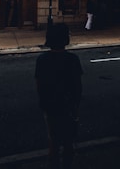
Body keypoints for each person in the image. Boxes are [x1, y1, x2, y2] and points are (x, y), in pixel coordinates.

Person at [35, 23, 83, 169]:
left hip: (50, 106)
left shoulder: (42, 60)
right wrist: (76, 105)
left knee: (53, 140)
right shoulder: (72, 59)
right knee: (69, 141)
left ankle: (54, 164)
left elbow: (39, 85)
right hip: (68, 105)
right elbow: (77, 87)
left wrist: (43, 103)